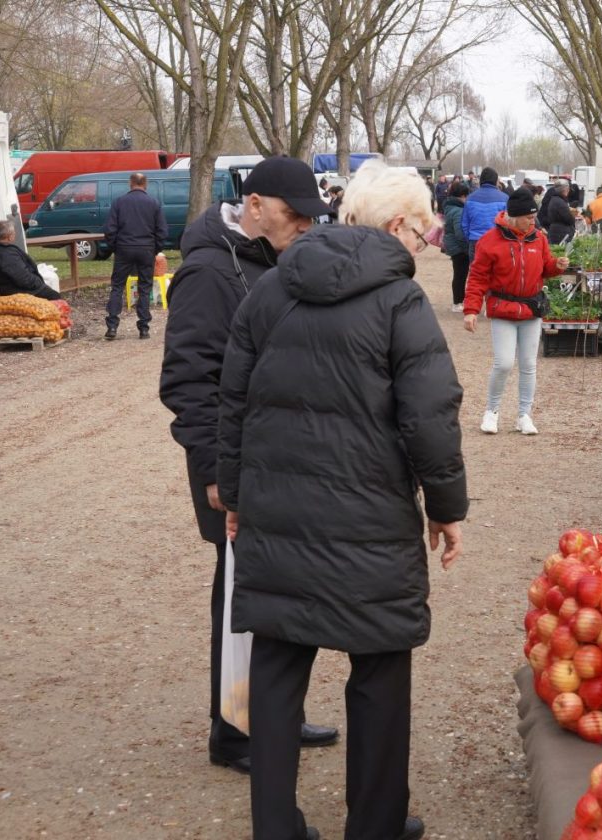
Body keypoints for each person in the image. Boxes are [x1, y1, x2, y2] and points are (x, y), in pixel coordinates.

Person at [217, 160, 466, 840]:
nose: (425, 243)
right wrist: (446, 508)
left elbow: (232, 404)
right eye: (421, 229)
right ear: (394, 226)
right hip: (371, 520)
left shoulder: (268, 292)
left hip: (279, 515)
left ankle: (275, 826)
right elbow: (430, 417)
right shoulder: (400, 302)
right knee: (380, 669)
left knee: (276, 668)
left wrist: (235, 496)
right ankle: (375, 824)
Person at [159, 156, 340, 779]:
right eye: (295, 217)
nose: (304, 229)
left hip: (273, 459)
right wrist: (214, 471)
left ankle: (269, 716)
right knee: (240, 595)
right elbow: (189, 381)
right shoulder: (208, 271)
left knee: (275, 592)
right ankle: (234, 730)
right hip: (229, 467)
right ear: (256, 205)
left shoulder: (270, 257)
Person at [462, 187, 568, 436]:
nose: (534, 221)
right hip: (503, 310)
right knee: (504, 363)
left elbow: (545, 267)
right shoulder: (489, 241)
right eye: (529, 217)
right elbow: (477, 278)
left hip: (532, 309)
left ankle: (524, 415)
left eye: (534, 217)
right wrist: (471, 310)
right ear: (514, 216)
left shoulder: (539, 239)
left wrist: (557, 266)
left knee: (529, 364)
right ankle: (492, 411)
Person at [103, 173, 167, 340]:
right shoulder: (153, 203)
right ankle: (144, 328)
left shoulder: (119, 202)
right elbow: (162, 231)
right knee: (144, 288)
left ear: (130, 184)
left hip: (124, 248)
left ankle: (112, 326)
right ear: (146, 184)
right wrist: (155, 249)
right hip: (146, 249)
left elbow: (110, 229)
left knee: (117, 286)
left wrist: (115, 247)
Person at [0, 220, 61, 300]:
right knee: (55, 296)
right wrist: (39, 283)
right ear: (10, 236)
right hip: (15, 291)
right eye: (14, 233)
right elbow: (23, 278)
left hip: (7, 288)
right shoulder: (7, 254)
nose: (15, 235)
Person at [459, 167, 508, 261]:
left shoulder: (470, 198)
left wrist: (470, 239)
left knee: (477, 273)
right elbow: (508, 223)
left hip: (475, 241)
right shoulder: (505, 198)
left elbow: (464, 224)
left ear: (481, 180)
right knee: (497, 274)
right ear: (495, 181)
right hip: (497, 242)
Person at [441, 181, 470, 312]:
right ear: (462, 196)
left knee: (459, 274)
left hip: (453, 246)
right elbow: (460, 234)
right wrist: (467, 248)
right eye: (466, 196)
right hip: (459, 247)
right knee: (460, 275)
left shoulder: (449, 206)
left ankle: (458, 302)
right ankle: (458, 303)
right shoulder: (458, 210)